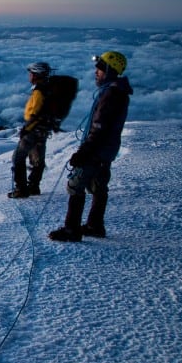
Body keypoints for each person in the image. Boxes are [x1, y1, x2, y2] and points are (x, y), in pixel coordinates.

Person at [49, 51, 133, 242]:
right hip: (106, 150)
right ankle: (95, 225)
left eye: (101, 69)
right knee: (98, 186)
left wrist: (83, 152)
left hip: (97, 150)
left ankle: (71, 230)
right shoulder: (117, 91)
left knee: (75, 185)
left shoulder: (111, 94)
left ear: (110, 71)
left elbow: (99, 127)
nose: (96, 72)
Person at [8, 62, 53, 198]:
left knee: (18, 158)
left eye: (31, 73)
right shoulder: (47, 89)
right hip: (42, 130)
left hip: (33, 130)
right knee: (37, 158)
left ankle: (21, 189)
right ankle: (34, 186)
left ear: (36, 75)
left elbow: (35, 113)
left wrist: (26, 129)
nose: (29, 76)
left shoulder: (39, 91)